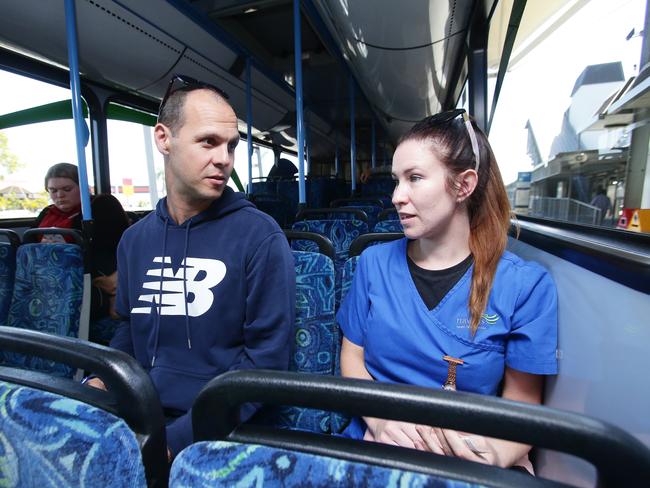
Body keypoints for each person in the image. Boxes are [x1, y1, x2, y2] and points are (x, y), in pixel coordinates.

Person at [85, 74, 295, 459]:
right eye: (208, 142)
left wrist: (173, 442)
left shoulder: (260, 238)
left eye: (230, 145)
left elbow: (265, 364)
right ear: (164, 138)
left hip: (219, 426)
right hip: (139, 410)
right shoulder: (135, 241)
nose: (225, 159)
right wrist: (103, 378)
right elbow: (130, 329)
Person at [338, 110, 558, 473]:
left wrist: (492, 456)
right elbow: (353, 359)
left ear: (463, 186)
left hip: (468, 449)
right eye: (396, 180)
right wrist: (380, 422)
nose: (396, 196)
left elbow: (523, 403)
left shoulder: (524, 286)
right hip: (379, 440)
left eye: (415, 178)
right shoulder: (373, 264)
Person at [35, 162, 82, 243]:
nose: (60, 195)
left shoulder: (97, 207)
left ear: (82, 187)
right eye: (53, 191)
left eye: (67, 189)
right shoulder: (47, 211)